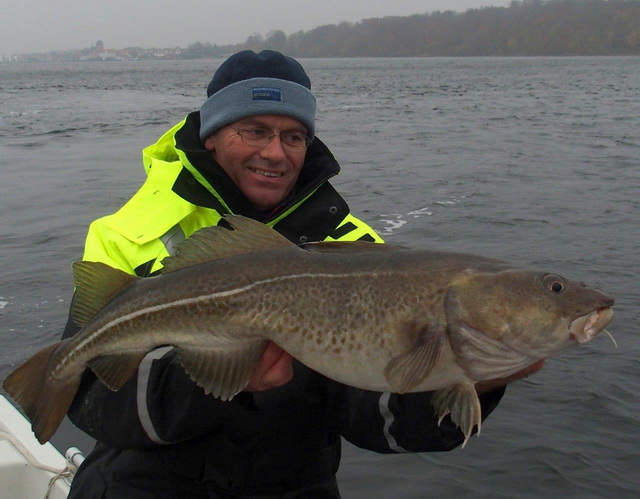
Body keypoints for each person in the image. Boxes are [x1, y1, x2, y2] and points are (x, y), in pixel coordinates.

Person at [63, 50, 543, 498]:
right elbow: (91, 400)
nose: (276, 153)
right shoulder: (128, 233)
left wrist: (467, 375)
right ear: (211, 135)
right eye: (254, 130)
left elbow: (376, 418)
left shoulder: (361, 255)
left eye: (294, 136)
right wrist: (214, 377)